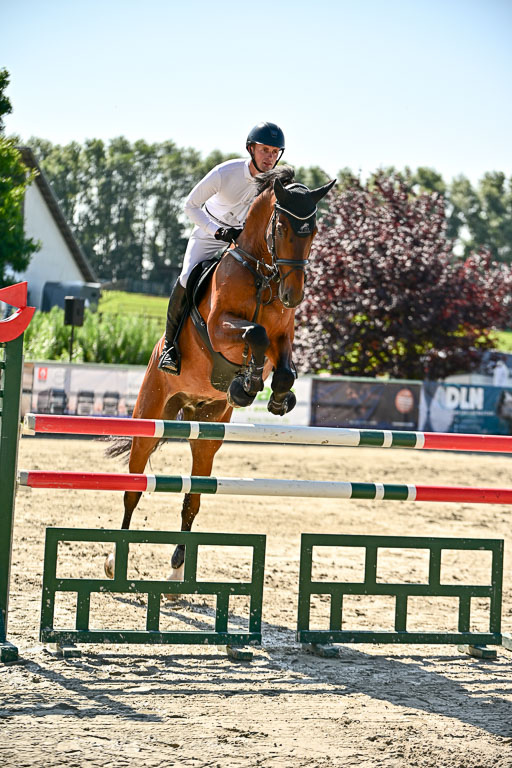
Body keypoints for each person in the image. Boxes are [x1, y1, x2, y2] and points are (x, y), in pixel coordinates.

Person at [158, 121, 286, 374]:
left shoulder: (274, 184)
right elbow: (190, 206)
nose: (270, 157)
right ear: (251, 148)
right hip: (209, 234)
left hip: (243, 242)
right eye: (264, 150)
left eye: (275, 152)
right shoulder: (225, 172)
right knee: (186, 278)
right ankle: (169, 347)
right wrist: (217, 231)